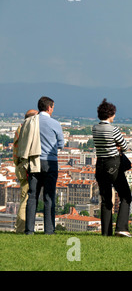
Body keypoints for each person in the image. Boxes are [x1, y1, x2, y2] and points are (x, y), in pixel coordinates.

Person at [92, 98, 132, 237]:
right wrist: (117, 146)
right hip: (113, 164)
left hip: (100, 164)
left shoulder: (95, 128)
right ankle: (121, 227)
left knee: (106, 199)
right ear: (110, 114)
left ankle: (106, 233)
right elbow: (125, 147)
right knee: (125, 195)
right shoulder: (113, 129)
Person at [25, 97, 64, 235]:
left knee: (32, 196)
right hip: (50, 162)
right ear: (49, 107)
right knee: (49, 196)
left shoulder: (30, 122)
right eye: (53, 107)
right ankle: (49, 230)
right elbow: (61, 144)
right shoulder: (55, 124)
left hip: (34, 161)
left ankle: (29, 230)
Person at [13, 109, 39, 233]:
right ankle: (21, 228)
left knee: (25, 197)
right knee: (26, 198)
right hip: (26, 167)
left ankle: (21, 227)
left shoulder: (20, 129)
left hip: (20, 166)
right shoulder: (27, 129)